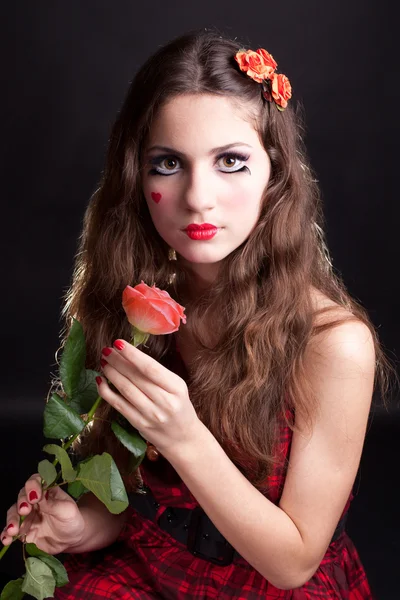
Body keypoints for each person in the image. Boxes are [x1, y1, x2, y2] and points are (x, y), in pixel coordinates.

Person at [1, 29, 396, 599]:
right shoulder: (136, 308)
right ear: (136, 176)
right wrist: (81, 525)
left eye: (230, 161)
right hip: (151, 561)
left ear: (275, 174)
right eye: (168, 164)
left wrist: (183, 435)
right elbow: (143, 499)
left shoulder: (332, 343)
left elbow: (293, 564)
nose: (198, 197)